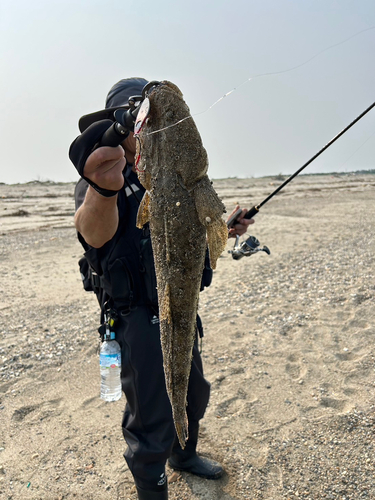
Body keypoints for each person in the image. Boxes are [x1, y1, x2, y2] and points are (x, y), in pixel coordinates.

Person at [69, 77, 254, 500]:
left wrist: (224, 229)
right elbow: (94, 235)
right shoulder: (104, 177)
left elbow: (188, 231)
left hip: (180, 306)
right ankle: (152, 485)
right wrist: (102, 189)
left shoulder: (178, 171)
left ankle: (183, 455)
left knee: (193, 390)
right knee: (151, 415)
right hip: (136, 319)